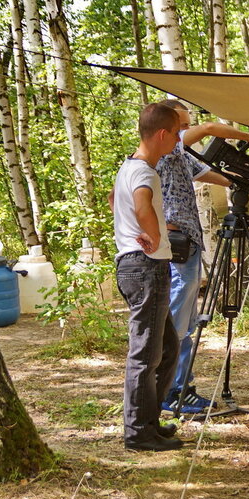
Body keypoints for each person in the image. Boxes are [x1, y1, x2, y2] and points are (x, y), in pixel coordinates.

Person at [155, 99, 249, 414]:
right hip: (177, 243)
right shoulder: (163, 152)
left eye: (185, 125)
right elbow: (207, 128)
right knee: (178, 322)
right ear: (166, 129)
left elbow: (210, 173)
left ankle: (181, 387)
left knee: (185, 321)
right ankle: (170, 391)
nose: (186, 130)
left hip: (188, 244)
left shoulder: (178, 156)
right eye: (181, 126)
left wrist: (245, 180)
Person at [111, 103, 183, 451]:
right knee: (145, 355)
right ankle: (138, 433)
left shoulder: (128, 166)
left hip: (134, 265)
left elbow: (117, 200)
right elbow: (141, 204)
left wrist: (148, 227)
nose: (179, 139)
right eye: (177, 133)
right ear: (162, 134)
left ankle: (149, 423)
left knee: (168, 348)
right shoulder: (145, 173)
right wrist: (153, 237)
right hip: (145, 267)